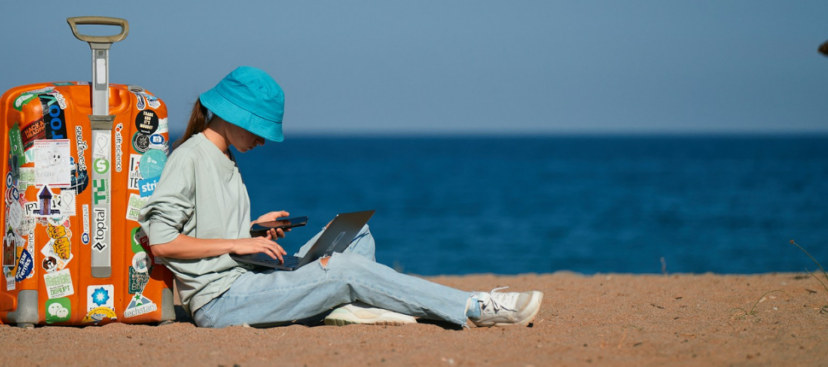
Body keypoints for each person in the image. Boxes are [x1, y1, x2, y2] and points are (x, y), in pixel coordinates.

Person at [137, 66, 543, 329]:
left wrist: (253, 228)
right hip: (222, 300)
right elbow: (163, 242)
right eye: (259, 128)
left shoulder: (223, 155)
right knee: (345, 270)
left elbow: (203, 226)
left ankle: (340, 307)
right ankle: (474, 307)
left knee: (356, 234)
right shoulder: (190, 157)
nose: (262, 139)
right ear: (232, 115)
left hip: (249, 276)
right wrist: (237, 242)